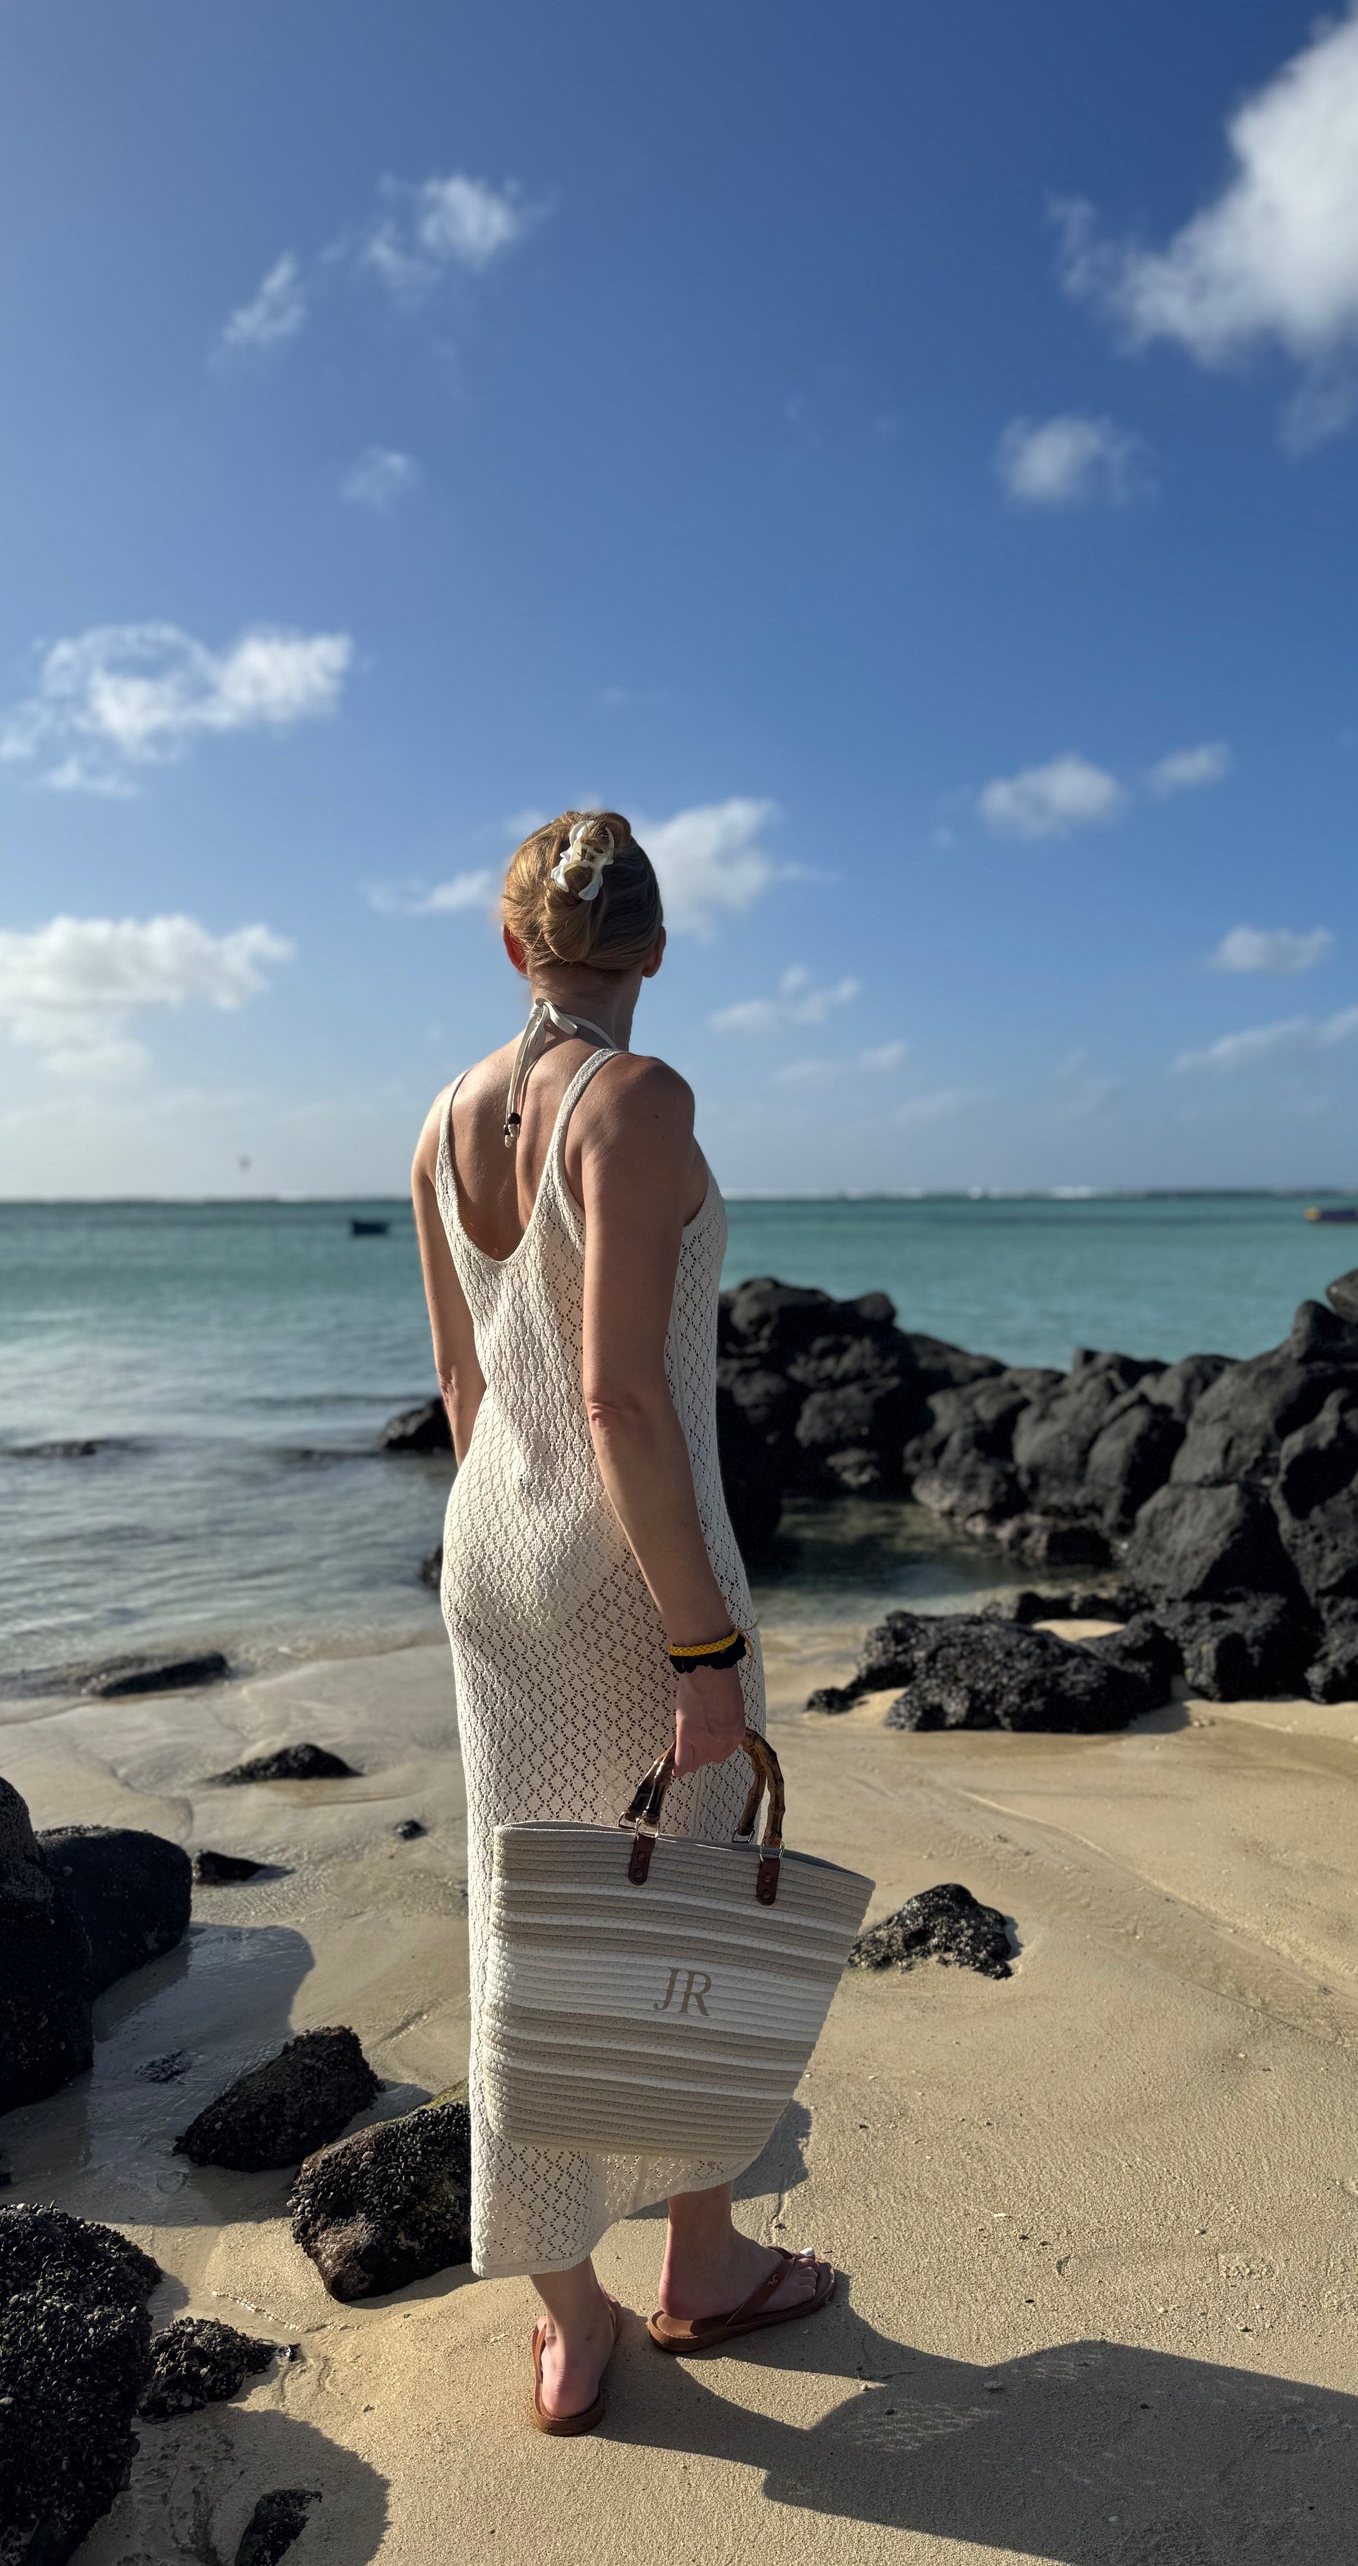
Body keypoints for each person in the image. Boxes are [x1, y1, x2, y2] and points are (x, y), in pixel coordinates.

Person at [412, 810, 832, 2436]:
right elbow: (617, 1394)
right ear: (655, 948)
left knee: (530, 1920)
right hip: (626, 1572)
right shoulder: (638, 1100)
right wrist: (701, 1644)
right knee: (684, 1917)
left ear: (512, 946)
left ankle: (565, 2315)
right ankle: (706, 2272)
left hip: (489, 1558)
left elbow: (469, 1388)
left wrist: (506, 1542)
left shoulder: (442, 1121)